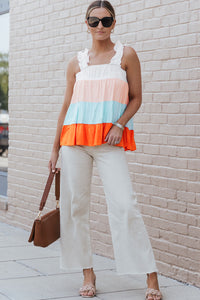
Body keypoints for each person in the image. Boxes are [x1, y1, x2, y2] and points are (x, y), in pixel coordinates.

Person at [48, 1, 163, 299]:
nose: (100, 26)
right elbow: (66, 106)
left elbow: (136, 98)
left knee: (125, 205)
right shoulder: (76, 62)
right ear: (85, 23)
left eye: (106, 20)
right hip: (74, 142)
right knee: (76, 208)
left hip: (109, 142)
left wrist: (119, 124)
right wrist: (54, 149)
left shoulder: (126, 56)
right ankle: (87, 272)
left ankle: (150, 274)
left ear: (115, 22)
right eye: (94, 20)